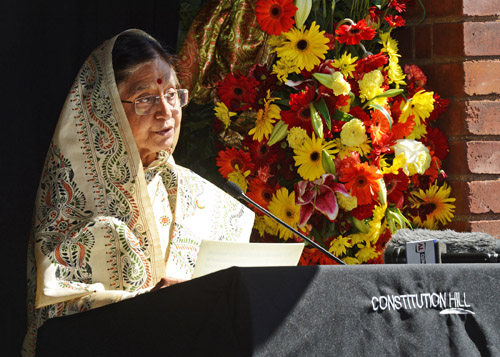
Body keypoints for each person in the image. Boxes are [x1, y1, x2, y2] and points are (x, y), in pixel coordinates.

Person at [22, 29, 255, 355]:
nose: (166, 111)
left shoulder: (201, 196)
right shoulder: (73, 197)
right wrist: (157, 304)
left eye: (172, 94)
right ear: (106, 110)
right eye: (146, 98)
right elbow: (57, 316)